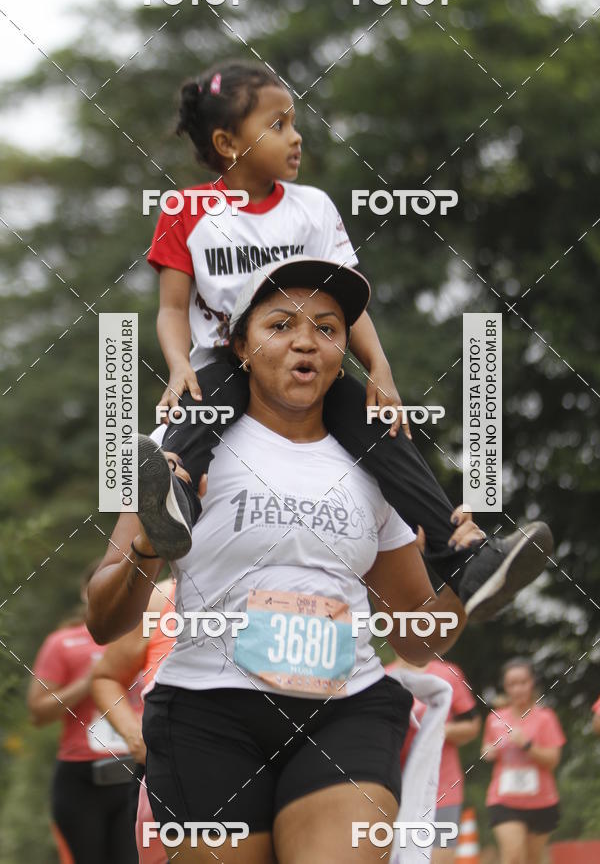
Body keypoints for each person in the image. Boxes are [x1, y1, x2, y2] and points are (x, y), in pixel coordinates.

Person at [87, 257, 485, 863]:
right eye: (280, 324)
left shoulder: (375, 464)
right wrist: (148, 544)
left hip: (346, 710)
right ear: (240, 344)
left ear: (344, 348)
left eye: (328, 328)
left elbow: (416, 640)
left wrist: (465, 585)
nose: (307, 340)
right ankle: (169, 530)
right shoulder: (179, 448)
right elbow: (103, 620)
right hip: (206, 713)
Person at [145, 58, 553, 623]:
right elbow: (170, 308)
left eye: (294, 121)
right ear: (227, 141)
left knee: (382, 433)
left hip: (309, 357)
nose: (296, 136)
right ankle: (175, 503)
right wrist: (176, 365)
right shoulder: (184, 211)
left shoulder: (311, 207)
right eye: (278, 124)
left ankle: (464, 556)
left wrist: (379, 370)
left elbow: (349, 304)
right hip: (227, 356)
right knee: (201, 408)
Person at [29, 563, 139, 864]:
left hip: (136, 772)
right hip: (81, 778)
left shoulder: (150, 635)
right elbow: (37, 713)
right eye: (100, 588)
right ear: (85, 593)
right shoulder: (62, 642)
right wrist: (88, 683)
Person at [91, 577, 175, 864]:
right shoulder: (162, 597)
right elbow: (107, 677)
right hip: (165, 772)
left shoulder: (285, 588)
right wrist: (134, 736)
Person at [386, 650, 481, 863]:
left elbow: (473, 725)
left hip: (443, 787)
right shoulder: (382, 678)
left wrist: (437, 729)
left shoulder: (448, 673)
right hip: (395, 791)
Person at [481, 658, 566, 864]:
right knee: (513, 857)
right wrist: (487, 752)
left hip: (541, 801)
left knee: (532, 859)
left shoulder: (545, 718)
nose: (518, 688)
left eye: (523, 682)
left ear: (532, 683)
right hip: (504, 800)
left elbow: (553, 760)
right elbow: (485, 749)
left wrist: (527, 745)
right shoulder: (495, 719)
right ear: (506, 687)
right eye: (512, 684)